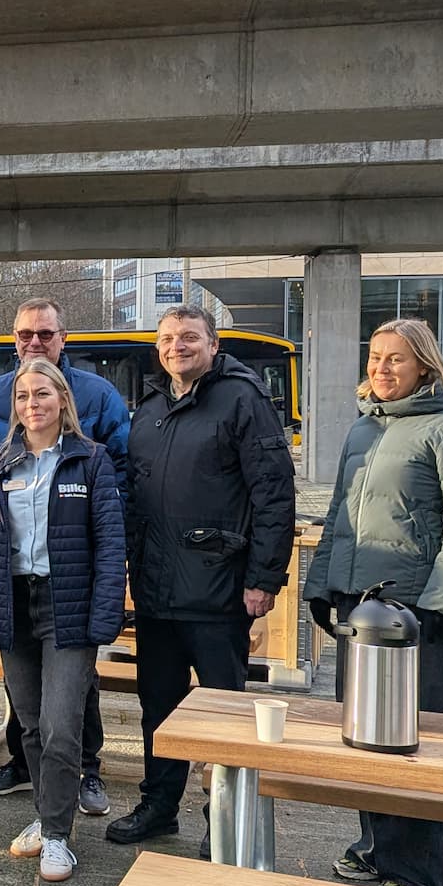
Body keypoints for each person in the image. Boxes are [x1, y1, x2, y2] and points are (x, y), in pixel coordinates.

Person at [304, 317, 443, 886]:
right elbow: (339, 515)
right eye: (375, 359)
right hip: (361, 611)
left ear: (425, 367)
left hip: (417, 614)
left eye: (396, 360)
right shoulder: (364, 430)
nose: (382, 370)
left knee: (419, 741)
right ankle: (377, 848)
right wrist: (322, 585)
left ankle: (418, 871)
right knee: (366, 735)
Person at [107, 305, 296, 852]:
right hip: (157, 592)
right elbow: (136, 502)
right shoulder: (149, 409)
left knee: (224, 715)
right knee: (158, 708)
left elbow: (273, 494)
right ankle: (159, 805)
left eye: (189, 337)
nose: (177, 346)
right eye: (167, 339)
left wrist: (264, 578)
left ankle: (226, 822)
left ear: (213, 346)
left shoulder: (242, 400)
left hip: (218, 589)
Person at [0, 297, 131, 811]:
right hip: (16, 583)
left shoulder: (99, 396)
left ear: (63, 338)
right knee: (32, 702)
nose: (34, 342)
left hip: (71, 575)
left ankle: (88, 772)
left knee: (73, 694)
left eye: (45, 334)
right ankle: (24, 769)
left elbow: (121, 471)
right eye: (24, 335)